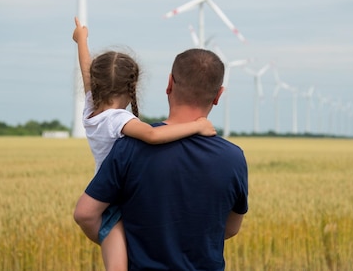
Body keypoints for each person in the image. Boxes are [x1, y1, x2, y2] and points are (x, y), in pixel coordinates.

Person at [74, 46, 249, 270]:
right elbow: (230, 228)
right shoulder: (233, 158)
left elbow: (86, 214)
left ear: (169, 84)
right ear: (218, 95)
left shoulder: (128, 146)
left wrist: (119, 240)